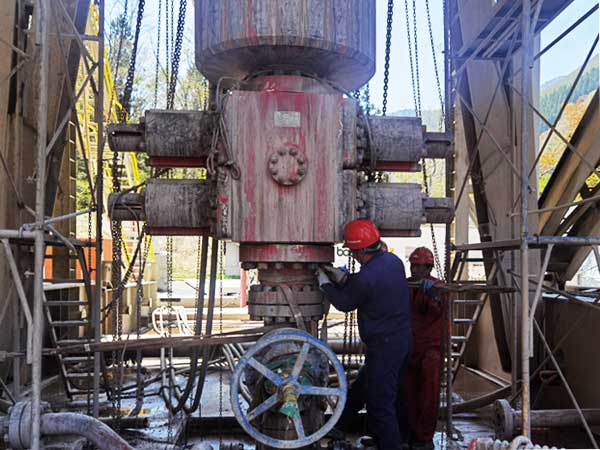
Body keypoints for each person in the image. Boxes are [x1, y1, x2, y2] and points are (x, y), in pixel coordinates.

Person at [316, 219, 412, 450]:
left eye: (353, 251)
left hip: (384, 347)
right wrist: (344, 278)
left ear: (360, 250)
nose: (354, 256)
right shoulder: (393, 261)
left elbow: (345, 302)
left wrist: (325, 285)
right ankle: (339, 425)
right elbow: (366, 284)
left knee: (380, 404)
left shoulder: (367, 277)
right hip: (402, 342)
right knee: (365, 388)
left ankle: (391, 445)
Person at [405, 247, 445, 450]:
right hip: (411, 345)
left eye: (420, 267)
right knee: (409, 390)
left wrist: (435, 296)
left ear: (428, 267)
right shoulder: (407, 285)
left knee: (429, 391)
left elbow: (439, 310)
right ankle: (411, 433)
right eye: (413, 266)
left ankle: (425, 437)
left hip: (432, 348)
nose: (416, 270)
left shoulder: (437, 287)